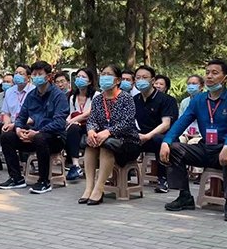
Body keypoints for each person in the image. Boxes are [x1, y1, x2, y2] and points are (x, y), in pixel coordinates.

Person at [160, 59, 227, 222]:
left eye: (215, 73)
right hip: (206, 147)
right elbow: (181, 122)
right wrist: (166, 141)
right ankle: (185, 195)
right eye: (207, 73)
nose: (209, 76)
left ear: (225, 78)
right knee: (175, 149)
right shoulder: (198, 100)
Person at [0, 60, 69, 194]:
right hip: (33, 135)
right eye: (34, 74)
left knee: (40, 138)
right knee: (6, 137)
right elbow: (21, 117)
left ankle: (44, 181)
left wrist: (37, 132)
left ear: (48, 77)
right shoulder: (31, 95)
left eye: (40, 74)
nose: (36, 77)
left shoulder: (58, 96)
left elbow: (59, 123)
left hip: (55, 138)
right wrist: (18, 129)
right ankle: (16, 178)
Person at [78, 65, 141, 205]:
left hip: (127, 142)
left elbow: (127, 122)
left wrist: (108, 132)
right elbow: (92, 119)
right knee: (91, 144)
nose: (105, 77)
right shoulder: (98, 99)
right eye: (103, 74)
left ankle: (99, 188)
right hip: (103, 139)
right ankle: (89, 187)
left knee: (106, 145)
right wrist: (91, 131)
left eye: (108, 74)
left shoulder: (126, 98)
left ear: (117, 80)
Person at [134, 65, 178, 193]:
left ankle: (163, 180)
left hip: (165, 138)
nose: (141, 80)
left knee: (159, 140)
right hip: (142, 137)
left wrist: (148, 136)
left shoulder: (167, 100)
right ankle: (121, 175)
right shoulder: (135, 100)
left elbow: (166, 124)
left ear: (152, 80)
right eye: (138, 77)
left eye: (144, 77)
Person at [64, 68, 99, 181]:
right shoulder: (73, 97)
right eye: (78, 77)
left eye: (83, 77)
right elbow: (71, 113)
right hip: (77, 125)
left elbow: (88, 114)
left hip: (92, 126)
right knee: (72, 129)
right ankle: (75, 165)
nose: (80, 79)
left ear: (90, 81)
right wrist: (67, 122)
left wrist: (72, 121)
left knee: (73, 126)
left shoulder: (96, 95)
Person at [1, 63, 35, 131]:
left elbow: (34, 116)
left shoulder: (34, 91)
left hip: (28, 125)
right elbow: (6, 113)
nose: (17, 75)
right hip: (11, 124)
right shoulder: (9, 91)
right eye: (16, 73)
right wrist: (6, 124)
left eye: (21, 74)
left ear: (28, 77)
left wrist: (16, 125)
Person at [178, 75, 204, 143]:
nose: (191, 86)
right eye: (189, 84)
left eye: (194, 84)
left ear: (201, 86)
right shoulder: (184, 102)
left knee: (192, 143)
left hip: (200, 135)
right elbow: (180, 120)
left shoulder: (206, 101)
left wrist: (199, 135)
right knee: (178, 141)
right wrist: (184, 133)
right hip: (186, 134)